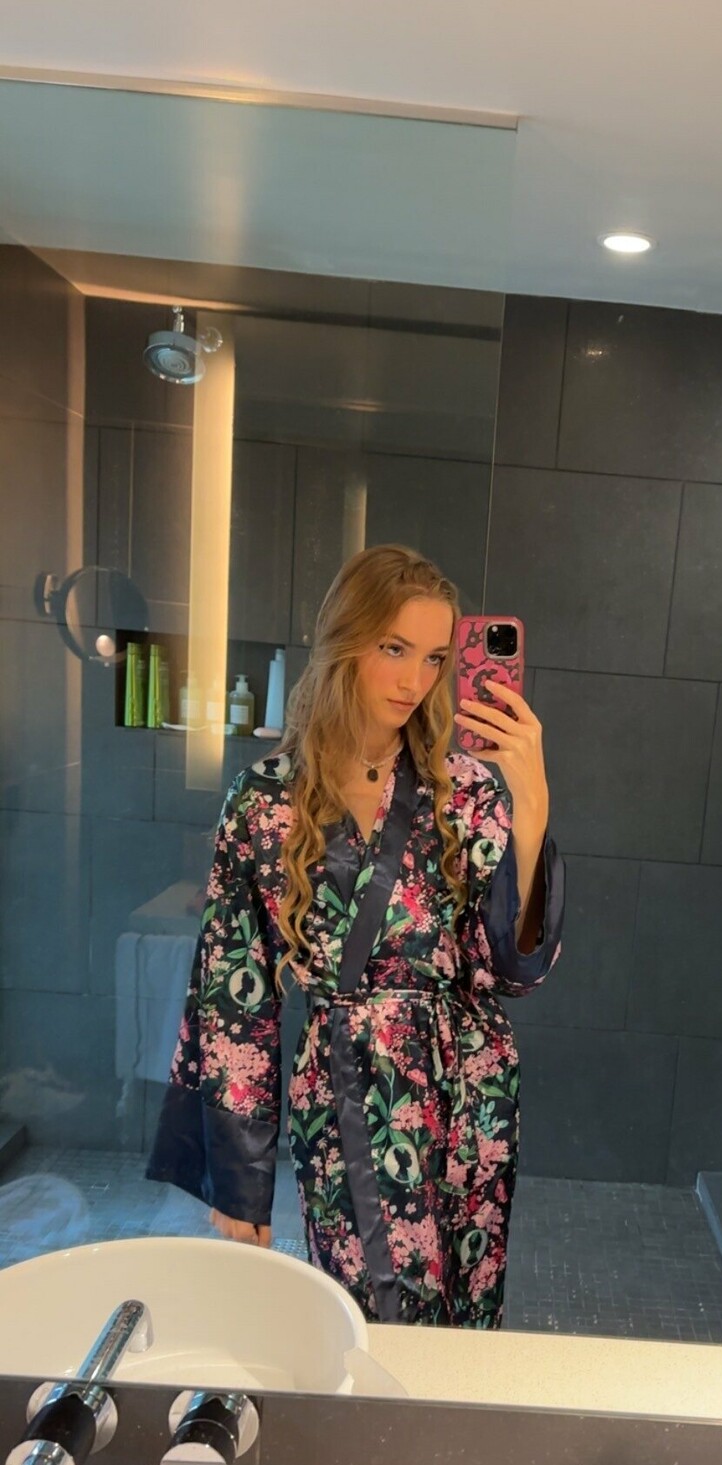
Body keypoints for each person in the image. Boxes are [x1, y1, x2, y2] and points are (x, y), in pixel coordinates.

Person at [146, 544, 565, 1327]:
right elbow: (232, 998)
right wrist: (239, 1179)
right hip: (346, 1089)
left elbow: (510, 973)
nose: (415, 681)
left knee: (466, 1314)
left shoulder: (467, 788)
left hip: (471, 1095)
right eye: (394, 649)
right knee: (372, 1314)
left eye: (434, 657)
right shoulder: (266, 801)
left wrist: (531, 806)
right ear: (345, 641)